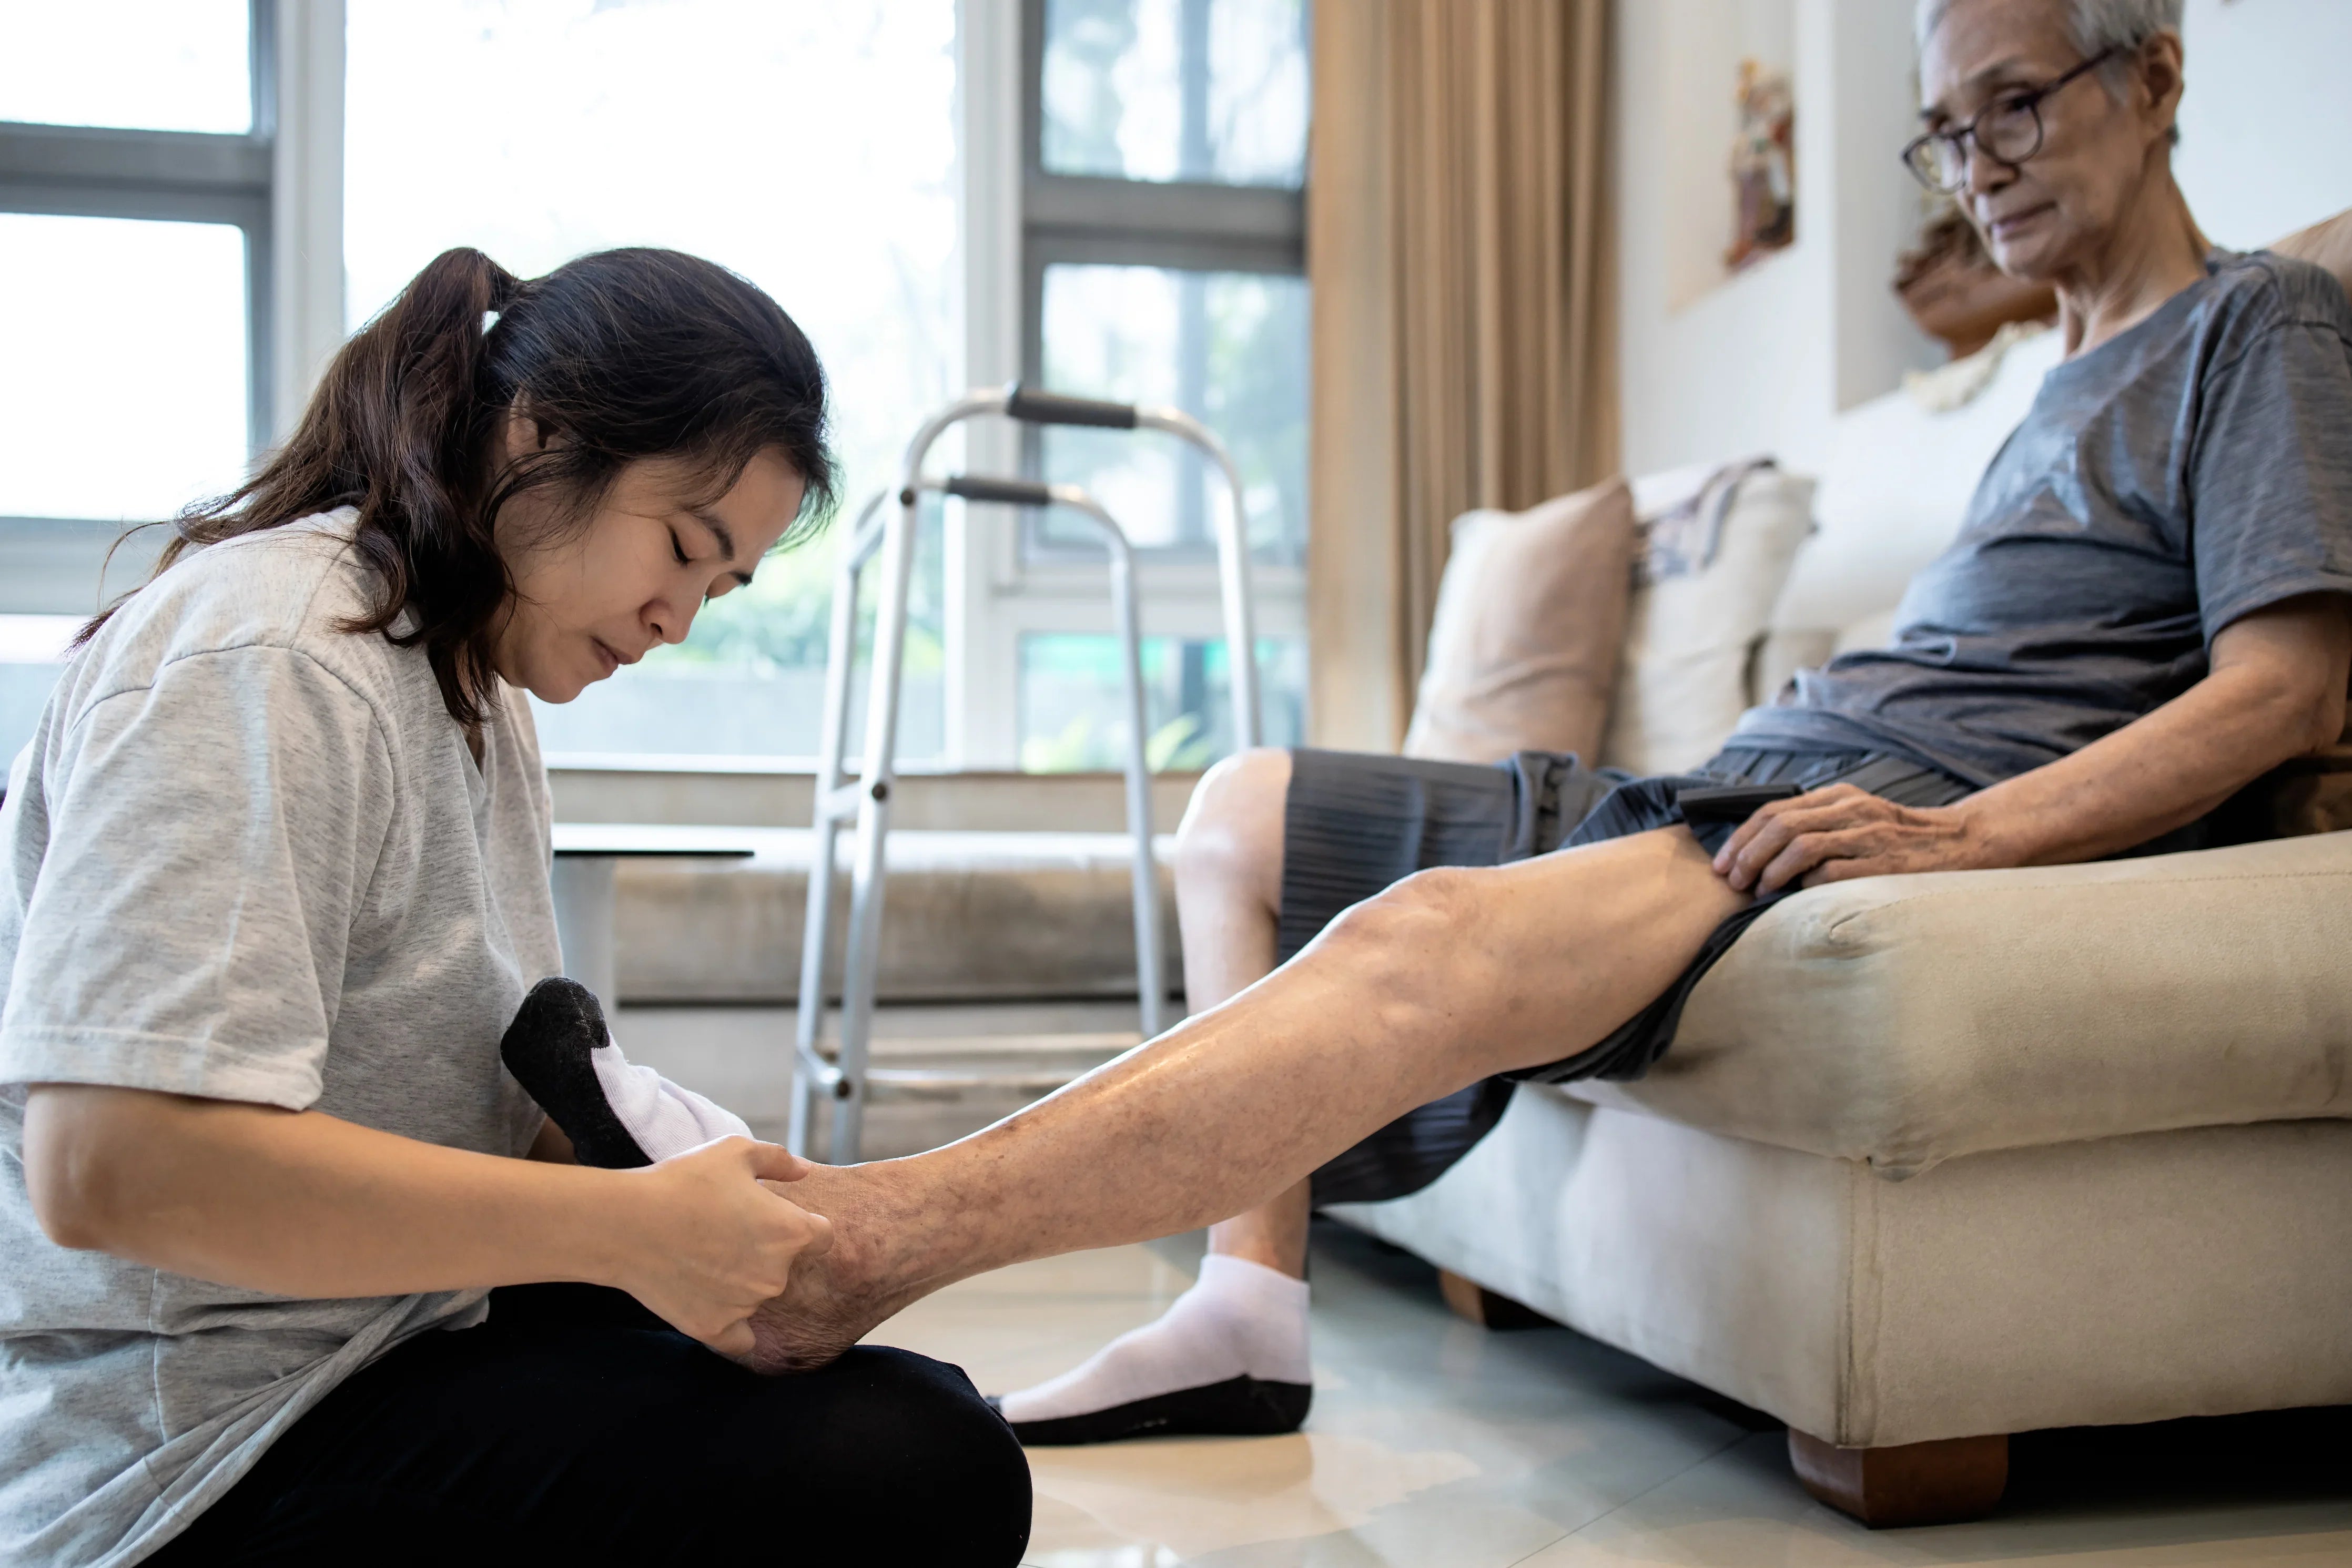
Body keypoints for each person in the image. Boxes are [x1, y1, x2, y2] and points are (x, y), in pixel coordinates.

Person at [517, 0, 2352, 1443]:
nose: (1978, 164)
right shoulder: (2036, 384)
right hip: (1737, 775)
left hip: (1828, 815)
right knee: (1238, 810)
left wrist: (1958, 839)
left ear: (2158, 75)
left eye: (2014, 104)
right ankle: (1249, 1312)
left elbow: (2288, 688)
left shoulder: (2258, 326)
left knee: (1418, 943)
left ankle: (865, 1242)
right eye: (1947, 131)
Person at [0, 247, 1031, 1567]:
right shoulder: (274, 658)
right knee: (905, 1474)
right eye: (680, 549)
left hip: (379, 1336)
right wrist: (628, 1234)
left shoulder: (470, 684)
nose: (676, 623)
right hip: (190, 1452)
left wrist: (708, 1213)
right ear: (538, 435)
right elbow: (112, 1165)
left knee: (918, 1415)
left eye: (718, 592)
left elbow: (431, 1090)